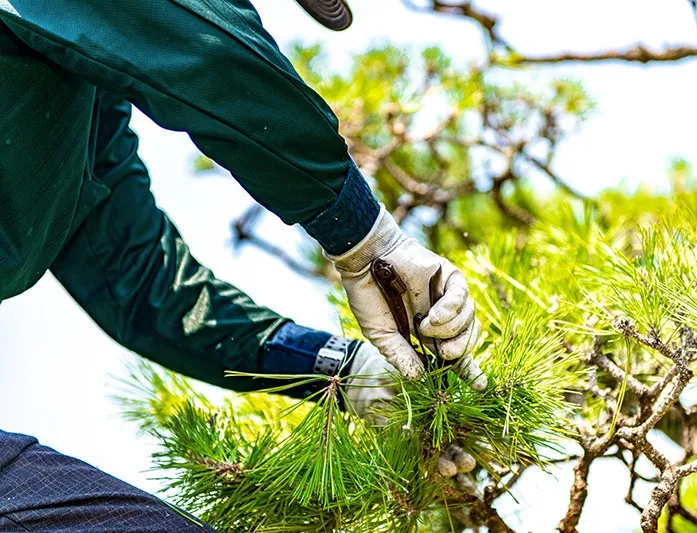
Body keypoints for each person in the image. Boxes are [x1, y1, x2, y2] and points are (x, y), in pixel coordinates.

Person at [0, 0, 485, 530]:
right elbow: (204, 46)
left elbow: (139, 285)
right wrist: (367, 239)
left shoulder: (76, 102)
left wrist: (347, 372)